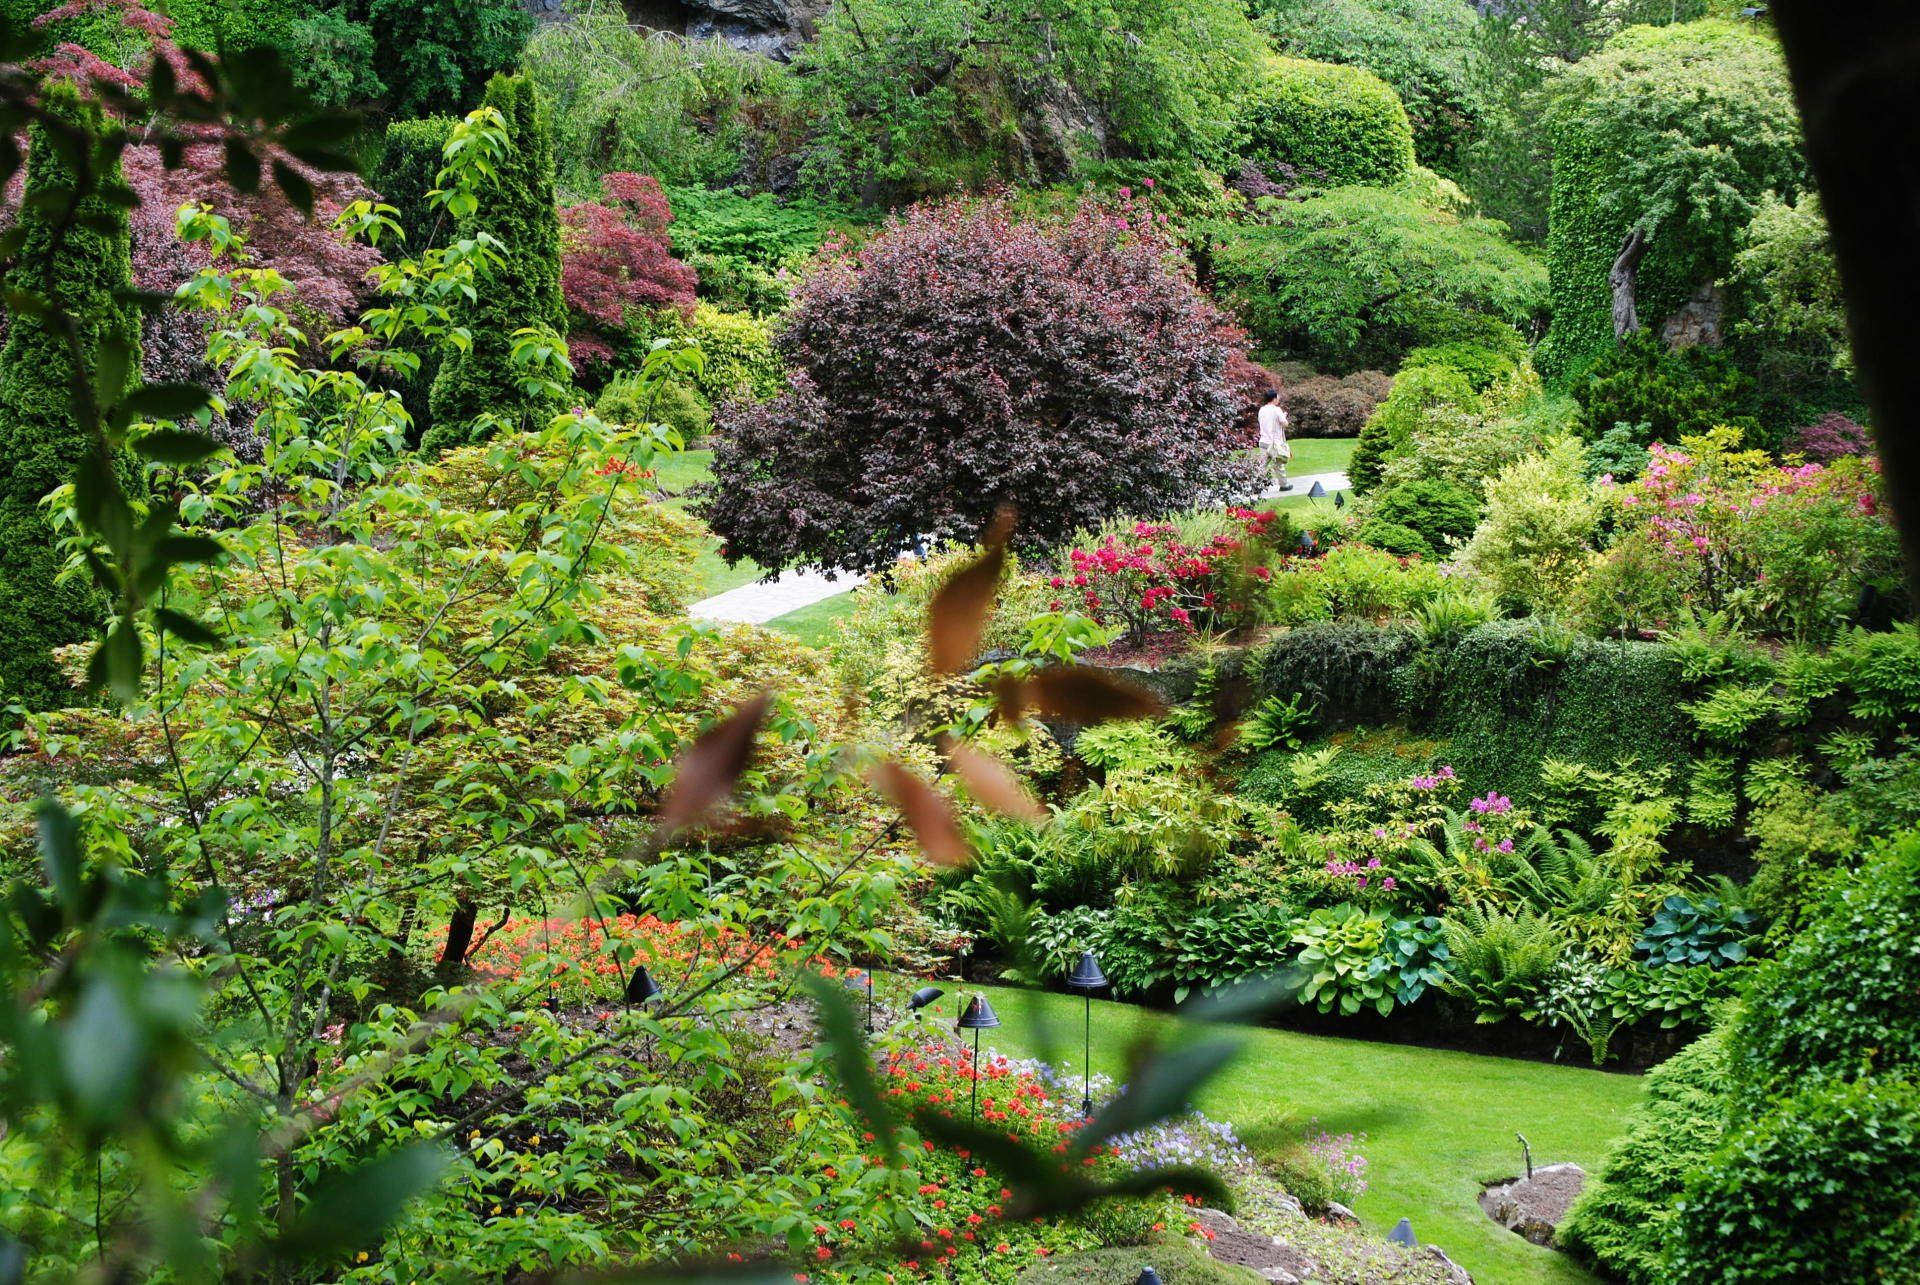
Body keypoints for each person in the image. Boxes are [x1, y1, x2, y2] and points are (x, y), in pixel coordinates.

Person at [1257, 387, 1292, 492]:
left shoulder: (1261, 410)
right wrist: (1284, 417)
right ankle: (1284, 485)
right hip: (1275, 443)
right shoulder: (1277, 410)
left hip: (1263, 441)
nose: (1278, 399)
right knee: (1279, 464)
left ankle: (1256, 485)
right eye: (1277, 397)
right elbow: (1285, 423)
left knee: (1262, 465)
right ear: (1274, 398)